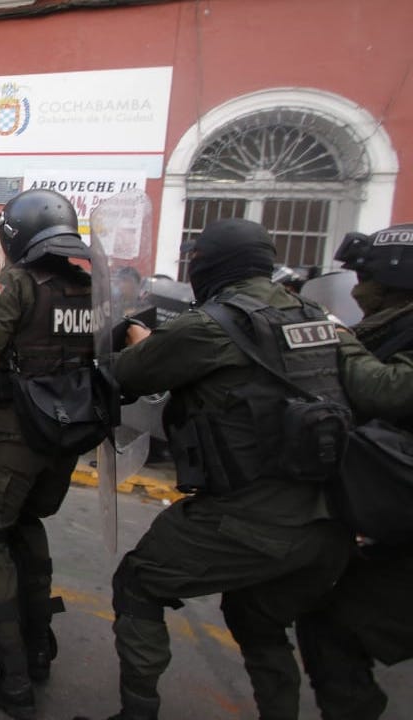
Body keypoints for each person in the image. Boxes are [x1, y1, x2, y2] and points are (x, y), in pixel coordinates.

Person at [79, 218, 413, 720]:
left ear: (211, 266)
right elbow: (372, 389)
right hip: (330, 523)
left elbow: (125, 375)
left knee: (140, 582)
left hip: (250, 518)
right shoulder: (314, 314)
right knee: (256, 618)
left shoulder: (211, 324)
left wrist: (140, 339)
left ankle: (137, 714)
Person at [0, 189, 96, 719]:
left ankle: (10, 679)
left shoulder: (17, 283)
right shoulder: (87, 285)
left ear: (13, 235)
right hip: (64, 439)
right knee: (27, 527)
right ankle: (37, 649)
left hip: (14, 436)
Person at [295, 224, 413, 720]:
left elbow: (387, 391)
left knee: (334, 627)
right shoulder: (392, 326)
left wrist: (336, 335)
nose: (357, 289)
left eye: (364, 277)